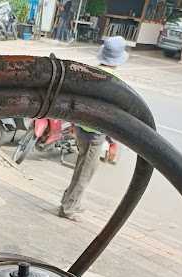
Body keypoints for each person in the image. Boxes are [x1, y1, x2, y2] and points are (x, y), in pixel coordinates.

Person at [59, 36, 128, 221]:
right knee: (85, 171)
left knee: (83, 166)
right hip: (95, 132)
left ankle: (71, 200)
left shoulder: (91, 72)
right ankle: (68, 208)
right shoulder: (114, 80)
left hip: (82, 127)